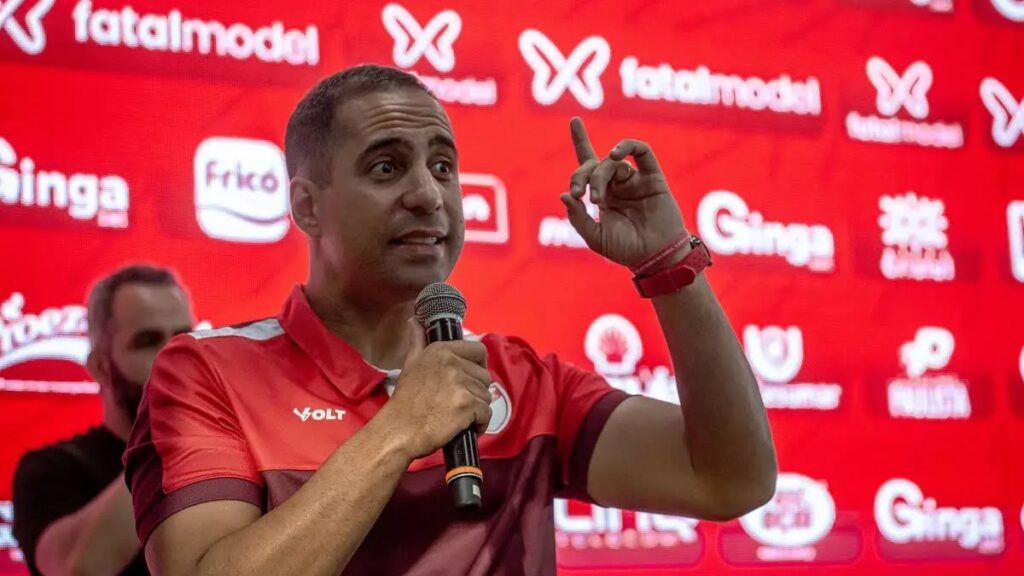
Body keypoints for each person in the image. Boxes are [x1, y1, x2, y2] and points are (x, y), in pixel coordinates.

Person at [125, 65, 777, 576]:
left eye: (442, 166)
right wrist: (399, 430)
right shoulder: (208, 372)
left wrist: (669, 265)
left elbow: (729, 479)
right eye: (386, 167)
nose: (427, 194)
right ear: (307, 206)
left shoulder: (521, 378)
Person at [12, 265, 194, 576]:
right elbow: (77, 568)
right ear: (100, 366)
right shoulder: (54, 468)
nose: (172, 356)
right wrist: (172, 436)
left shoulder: (231, 456)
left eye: (183, 338)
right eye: (147, 342)